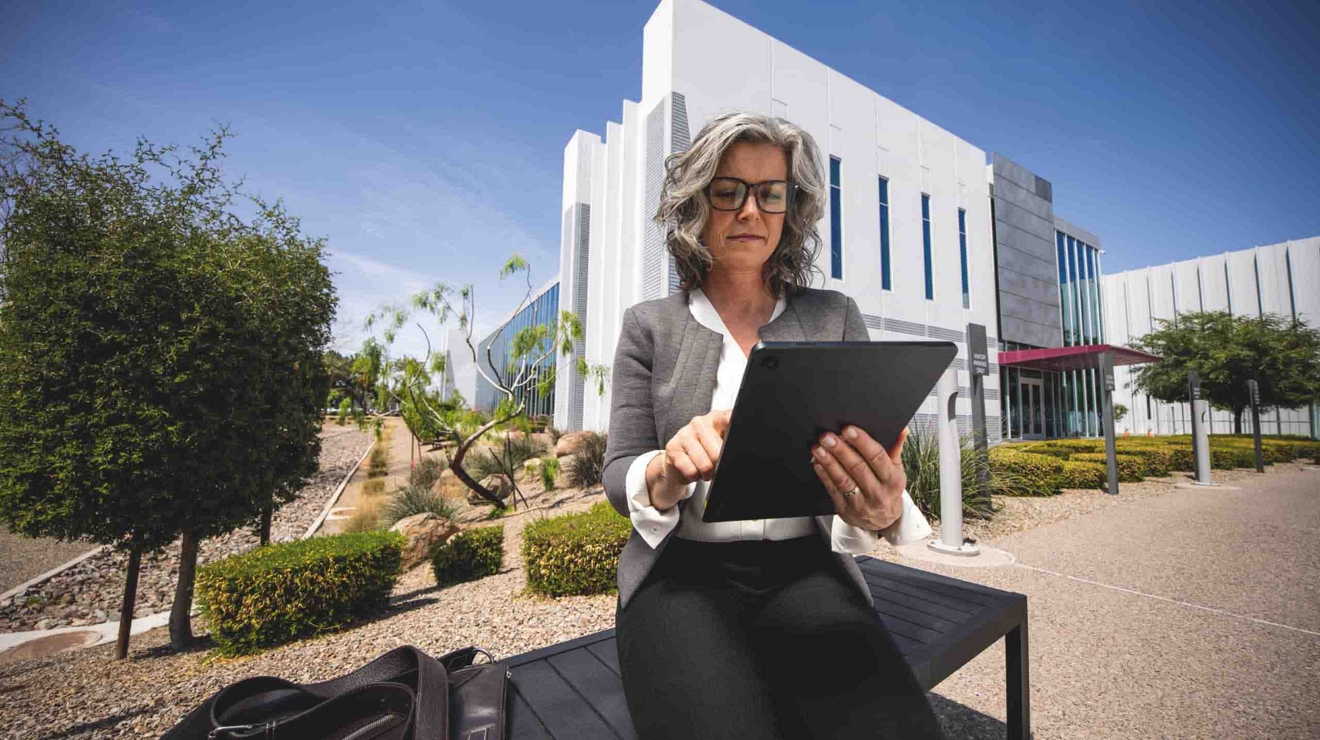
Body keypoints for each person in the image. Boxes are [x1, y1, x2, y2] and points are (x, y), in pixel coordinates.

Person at [602, 111, 947, 740]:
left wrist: (883, 507)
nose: (749, 211)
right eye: (728, 191)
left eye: (770, 193)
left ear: (792, 208)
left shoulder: (834, 317)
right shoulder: (649, 325)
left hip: (807, 568)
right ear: (697, 202)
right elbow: (618, 467)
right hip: (680, 574)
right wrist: (665, 469)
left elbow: (868, 460)